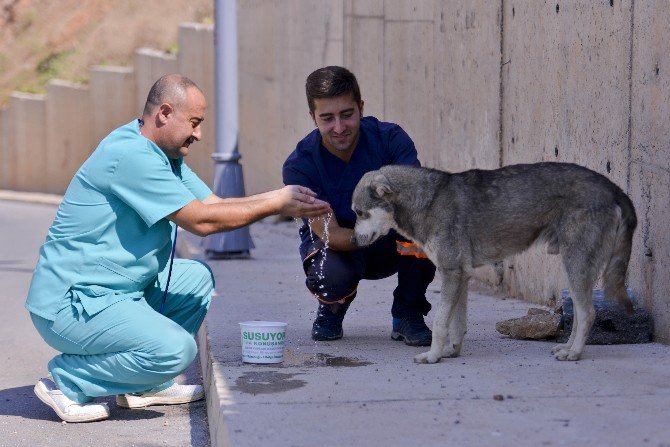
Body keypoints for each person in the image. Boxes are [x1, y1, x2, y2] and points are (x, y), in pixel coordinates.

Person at [26, 74, 331, 423]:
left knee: (196, 279)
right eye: (195, 123)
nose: (199, 134)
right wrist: (277, 203)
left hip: (116, 293)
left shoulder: (162, 155)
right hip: (71, 304)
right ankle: (67, 382)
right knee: (176, 350)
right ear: (166, 113)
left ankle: (146, 383)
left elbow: (215, 204)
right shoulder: (131, 156)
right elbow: (202, 222)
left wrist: (282, 195)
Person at [282, 66, 436, 346]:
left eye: (347, 114)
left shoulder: (390, 140)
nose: (339, 128)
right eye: (327, 118)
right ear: (312, 117)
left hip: (392, 240)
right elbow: (330, 233)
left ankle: (408, 313)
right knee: (329, 272)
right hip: (340, 243)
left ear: (361, 108)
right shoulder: (300, 166)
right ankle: (332, 307)